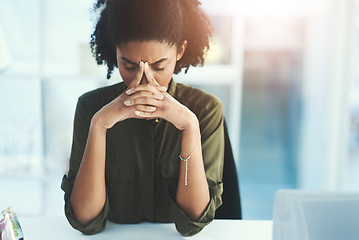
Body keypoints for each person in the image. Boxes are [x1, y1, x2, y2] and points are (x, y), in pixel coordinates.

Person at [61, 0, 225, 236]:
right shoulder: (91, 108)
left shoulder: (205, 111)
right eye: (128, 66)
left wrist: (189, 127)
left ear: (180, 51)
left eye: (158, 66)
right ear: (115, 51)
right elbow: (85, 220)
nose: (144, 81)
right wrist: (99, 126)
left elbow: (192, 223)